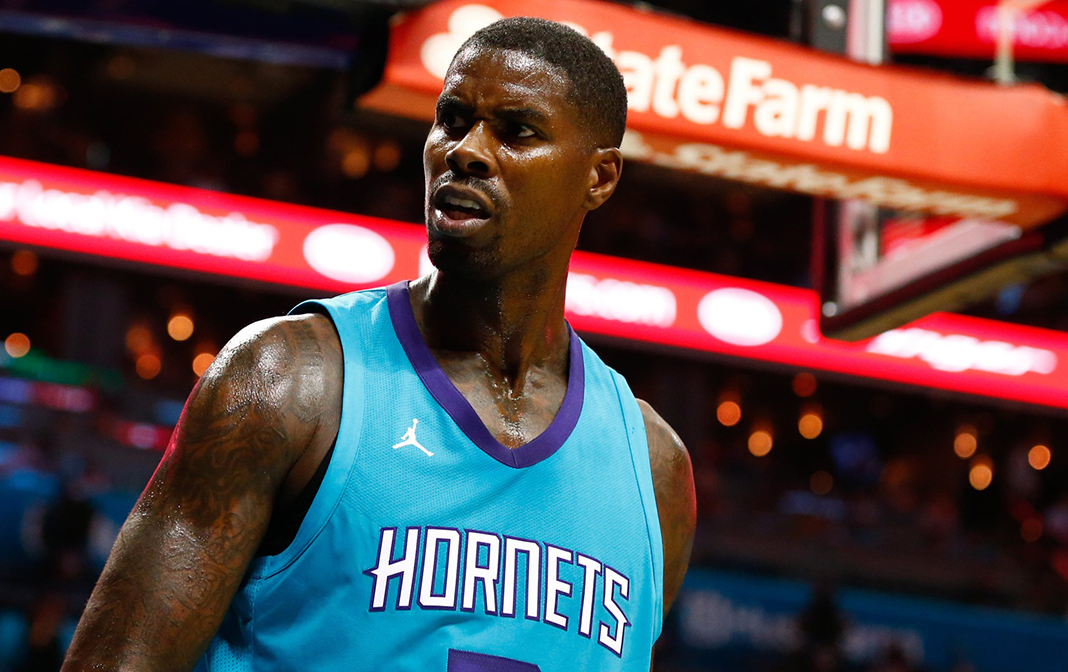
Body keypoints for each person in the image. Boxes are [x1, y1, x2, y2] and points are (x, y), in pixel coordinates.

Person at [62, 17, 695, 672]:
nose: (466, 151)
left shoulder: (654, 471)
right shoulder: (288, 383)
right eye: (453, 119)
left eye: (516, 132)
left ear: (600, 178)